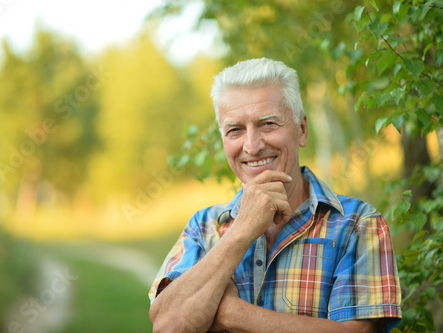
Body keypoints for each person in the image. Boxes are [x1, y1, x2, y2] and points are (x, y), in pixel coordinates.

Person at [148, 58, 402, 333]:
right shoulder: (204, 226)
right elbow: (167, 326)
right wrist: (242, 231)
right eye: (235, 130)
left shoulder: (358, 224)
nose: (252, 146)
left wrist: (232, 314)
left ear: (302, 129)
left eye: (268, 124)